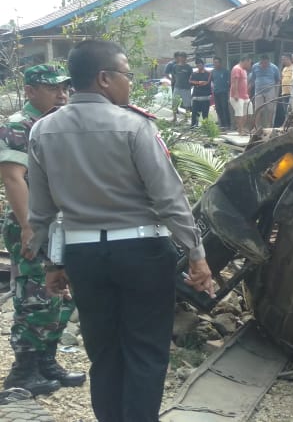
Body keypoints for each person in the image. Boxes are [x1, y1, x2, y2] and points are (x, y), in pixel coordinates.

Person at [26, 40, 216, 422]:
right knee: (145, 351)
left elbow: (42, 212)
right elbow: (169, 198)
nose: (130, 82)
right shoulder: (135, 126)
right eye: (127, 74)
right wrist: (196, 254)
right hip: (142, 254)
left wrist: (53, 263)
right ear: (104, 79)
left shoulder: (42, 131)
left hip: (84, 258)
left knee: (104, 353)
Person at [0, 65, 85, 396]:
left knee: (61, 296)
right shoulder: (18, 125)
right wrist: (28, 226)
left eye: (64, 87)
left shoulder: (58, 124)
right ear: (32, 90)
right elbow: (12, 177)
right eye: (52, 88)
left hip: (63, 222)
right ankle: (23, 372)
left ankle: (47, 362)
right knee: (35, 296)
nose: (61, 94)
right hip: (35, 221)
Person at [249, 54, 279, 129]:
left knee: (270, 109)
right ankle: (256, 127)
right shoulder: (255, 66)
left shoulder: (274, 67)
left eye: (266, 63)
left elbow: (278, 80)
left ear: (268, 62)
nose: (264, 65)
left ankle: (269, 126)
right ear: (260, 62)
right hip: (258, 90)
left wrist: (276, 93)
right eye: (262, 63)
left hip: (270, 90)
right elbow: (252, 79)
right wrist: (248, 90)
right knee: (258, 109)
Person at [163, 52, 192, 123]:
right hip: (177, 87)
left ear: (185, 58)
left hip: (186, 88)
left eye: (183, 57)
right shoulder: (175, 66)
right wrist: (173, 81)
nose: (181, 59)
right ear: (179, 58)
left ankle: (186, 118)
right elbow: (174, 76)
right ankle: (174, 118)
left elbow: (191, 77)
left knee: (187, 104)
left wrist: (190, 85)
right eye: (180, 57)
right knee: (174, 103)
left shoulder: (188, 67)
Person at [230, 57, 252, 134]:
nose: (250, 65)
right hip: (237, 96)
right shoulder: (237, 69)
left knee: (248, 112)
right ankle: (240, 130)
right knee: (239, 113)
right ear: (246, 61)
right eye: (249, 63)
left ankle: (242, 128)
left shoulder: (244, 70)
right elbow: (234, 82)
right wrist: (236, 93)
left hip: (245, 96)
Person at [188, 58, 213, 128]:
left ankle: (205, 127)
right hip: (196, 97)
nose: (199, 66)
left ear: (203, 65)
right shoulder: (194, 73)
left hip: (205, 97)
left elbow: (206, 83)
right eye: (197, 65)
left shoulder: (208, 73)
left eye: (200, 65)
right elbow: (190, 82)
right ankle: (193, 126)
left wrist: (196, 83)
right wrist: (199, 82)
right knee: (195, 114)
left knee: (205, 114)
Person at [210, 57, 232, 130]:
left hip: (224, 92)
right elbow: (212, 81)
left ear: (220, 63)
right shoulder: (213, 72)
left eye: (217, 62)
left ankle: (227, 124)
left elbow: (229, 83)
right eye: (214, 62)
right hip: (216, 93)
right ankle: (222, 124)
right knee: (218, 109)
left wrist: (229, 93)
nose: (216, 64)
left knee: (224, 108)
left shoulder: (225, 71)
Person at [274, 54, 293, 128]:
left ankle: (290, 125)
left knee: (291, 110)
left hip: (291, 92)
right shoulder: (284, 69)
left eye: (284, 59)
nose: (283, 61)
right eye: (282, 60)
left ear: (288, 59)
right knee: (285, 110)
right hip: (284, 92)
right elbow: (281, 79)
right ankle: (286, 125)